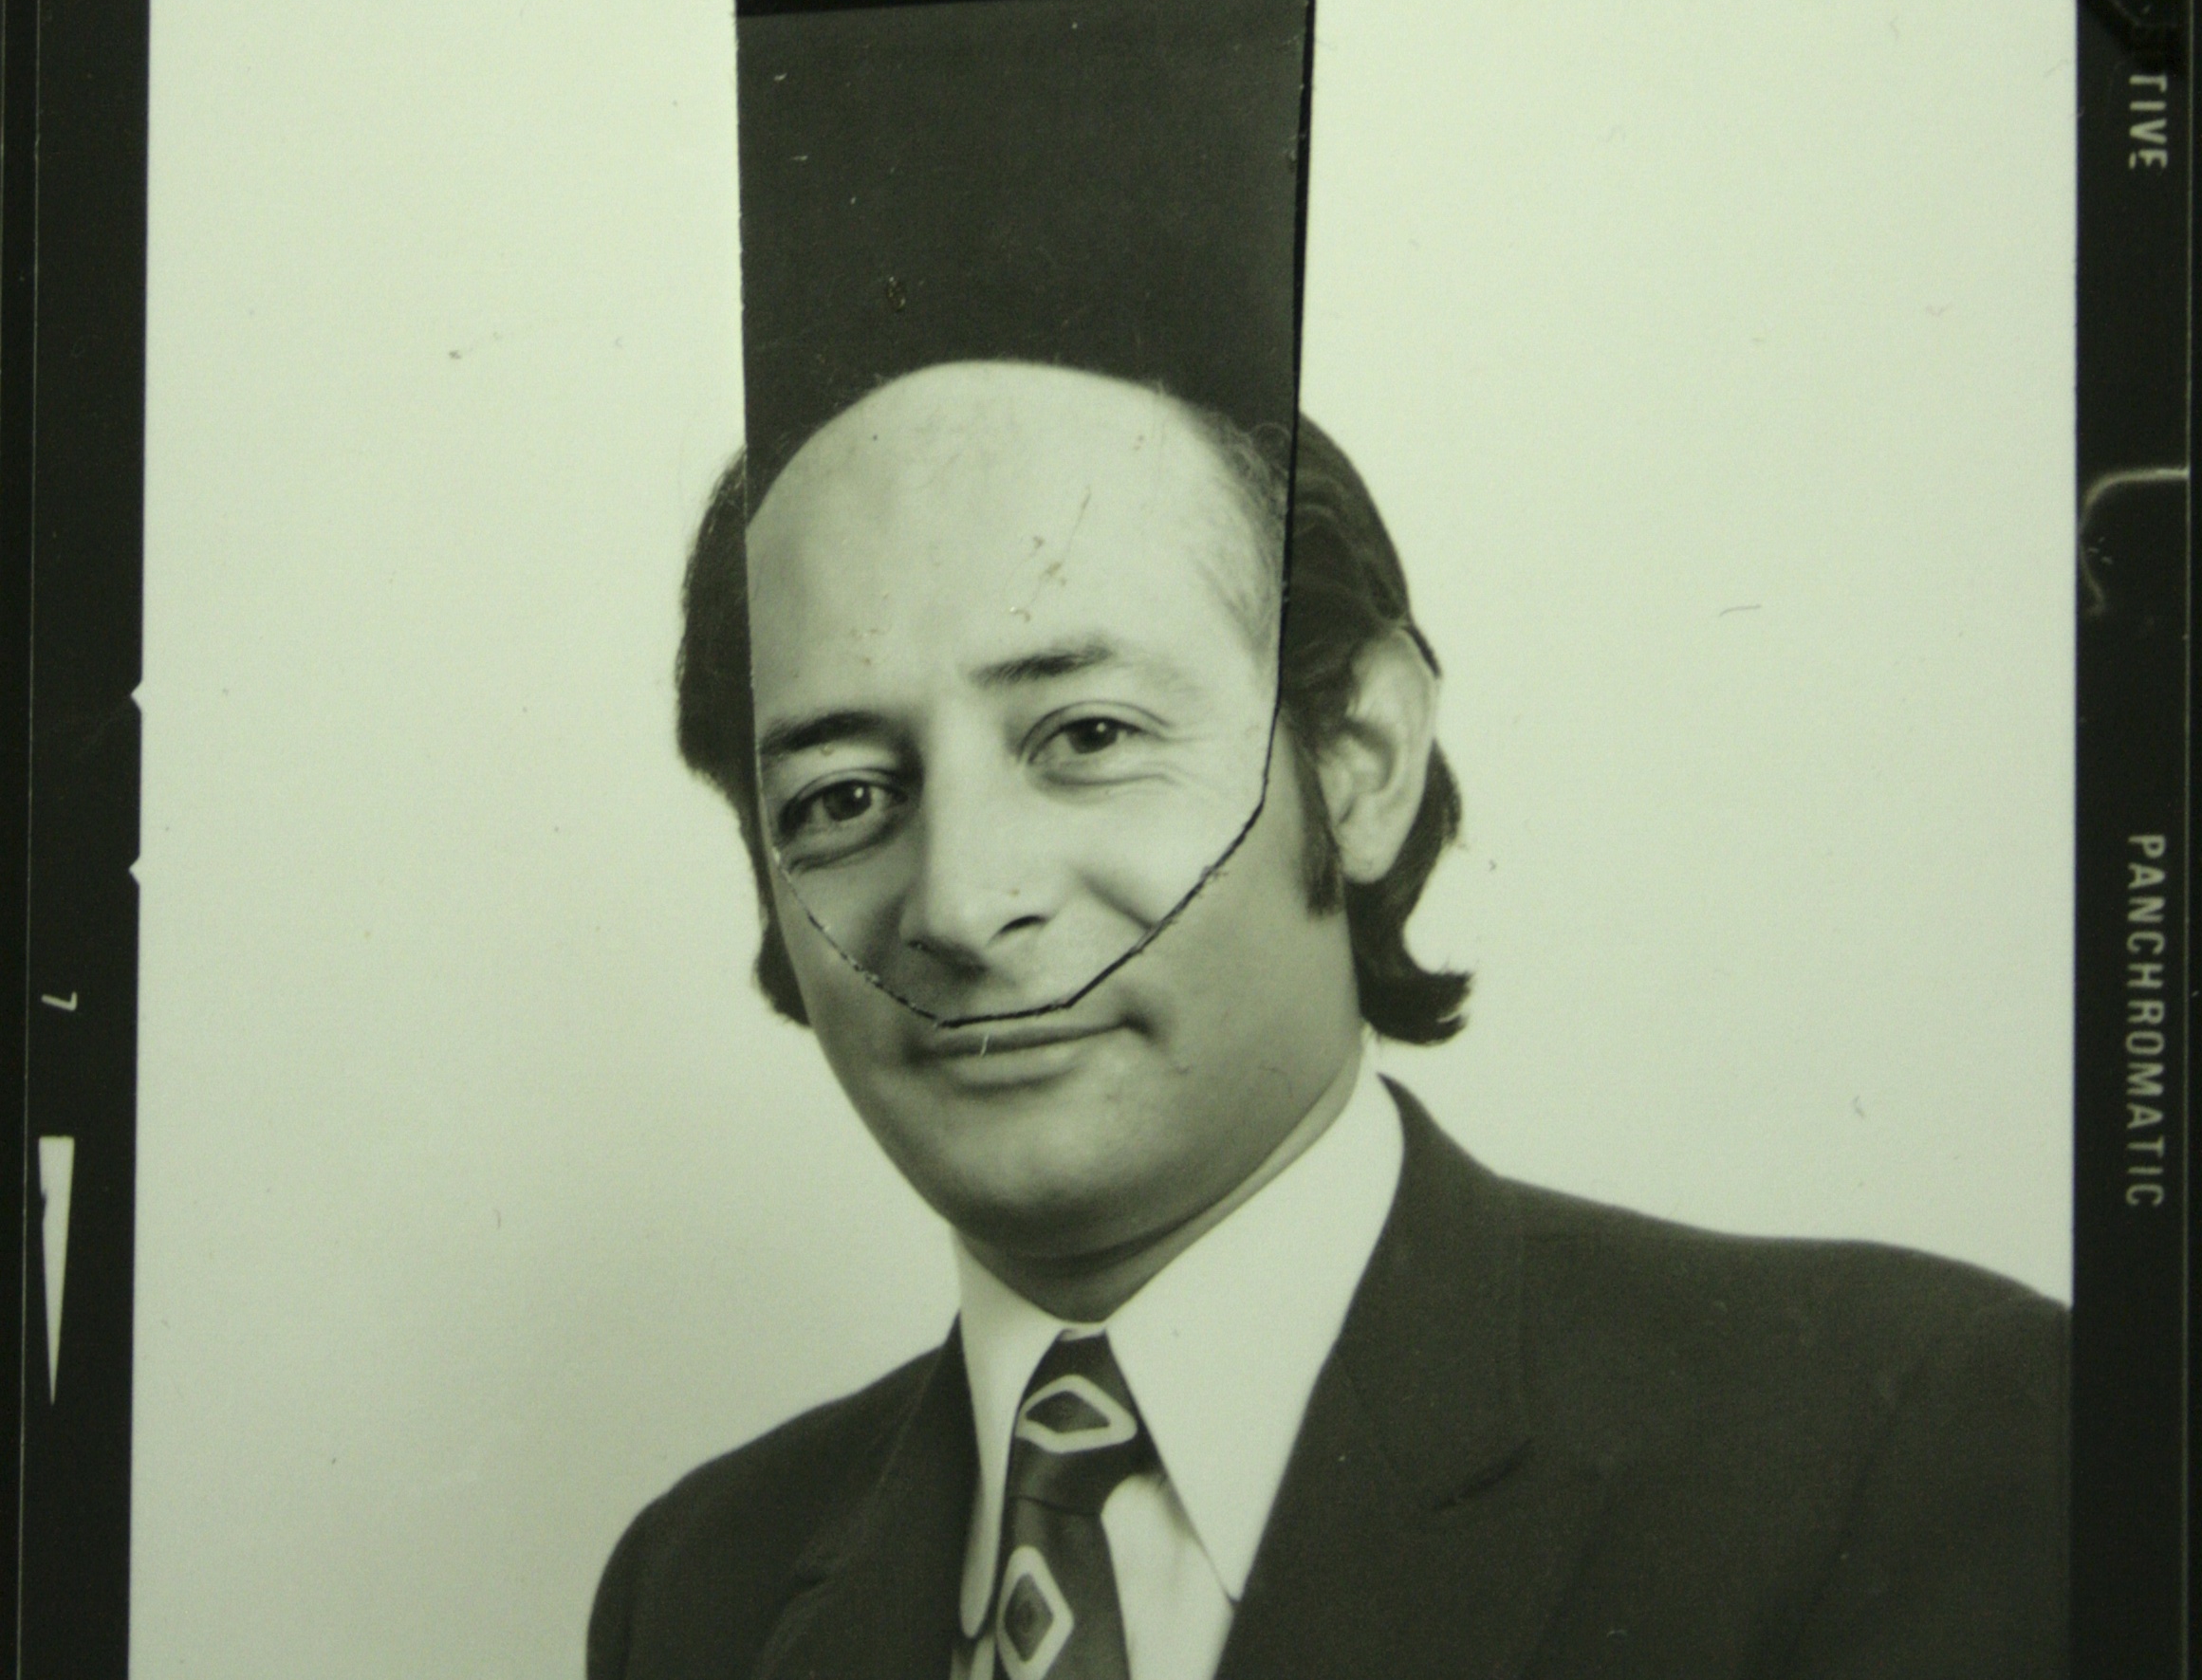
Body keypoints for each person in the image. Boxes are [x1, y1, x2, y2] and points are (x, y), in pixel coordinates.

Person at [587, 359, 2067, 1680]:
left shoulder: (1902, 1443)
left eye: (1088, 734)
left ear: (1358, 757)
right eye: (842, 796)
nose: (961, 904)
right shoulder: (698, 1588)